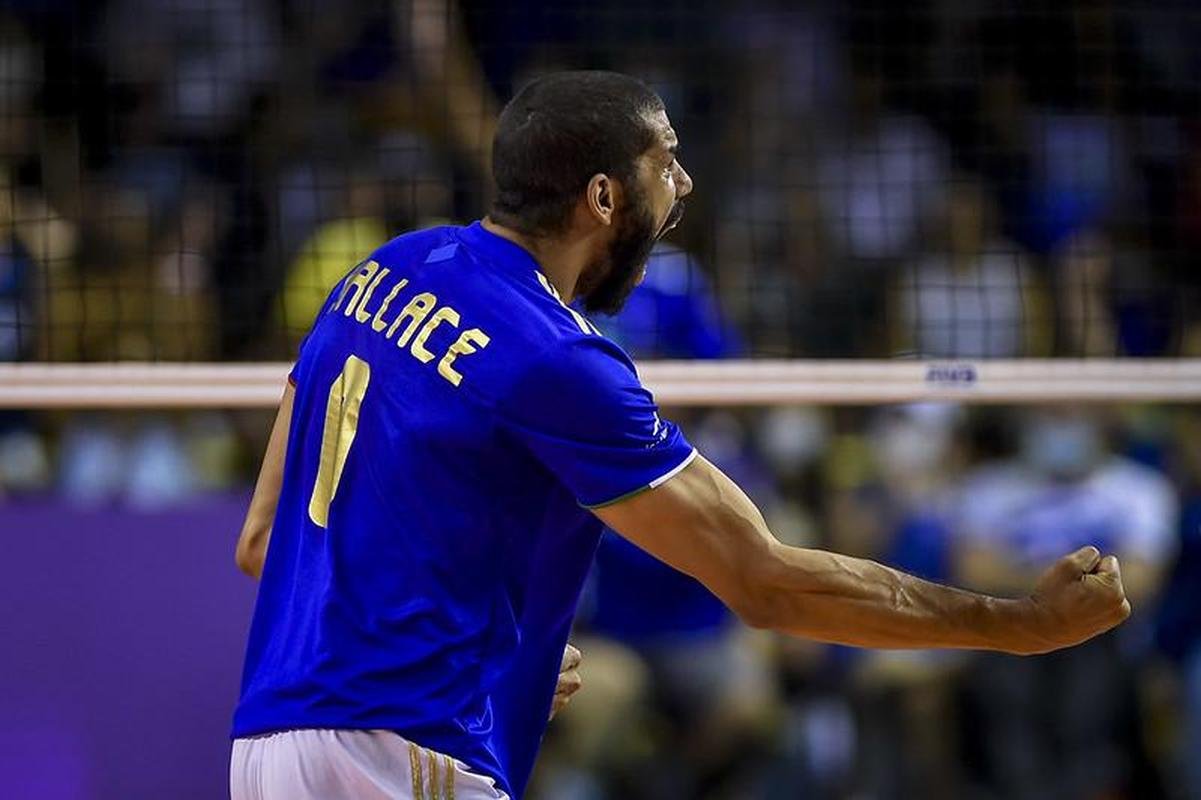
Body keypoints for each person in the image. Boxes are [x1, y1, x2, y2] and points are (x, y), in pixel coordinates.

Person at [230, 71, 1131, 800]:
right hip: (399, 756)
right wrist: (1018, 625)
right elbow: (767, 584)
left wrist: (481, 652)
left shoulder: (379, 272)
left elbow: (262, 540)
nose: (685, 184)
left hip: (267, 746)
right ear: (602, 196)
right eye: (666, 162)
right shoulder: (557, 361)